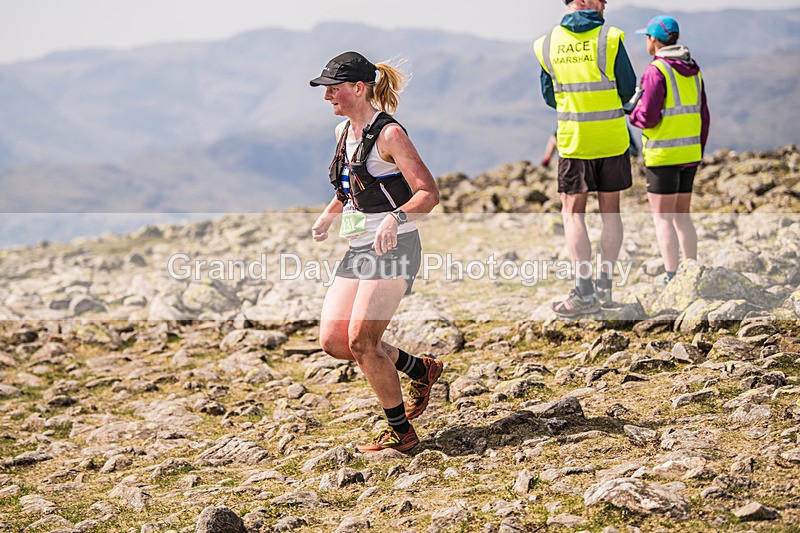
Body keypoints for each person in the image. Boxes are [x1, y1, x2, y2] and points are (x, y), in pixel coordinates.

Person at [309, 52, 443, 453]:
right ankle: (420, 369)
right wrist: (330, 214)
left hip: (395, 245)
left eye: (333, 88)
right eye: (324, 88)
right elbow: (350, 186)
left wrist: (395, 219)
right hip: (359, 246)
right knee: (335, 341)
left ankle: (400, 431)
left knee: (362, 341)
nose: (327, 95)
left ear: (358, 88)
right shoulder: (342, 133)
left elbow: (428, 193)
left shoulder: (390, 135)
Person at [534, 0, 637, 316]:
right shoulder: (611, 37)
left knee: (573, 214)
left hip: (574, 141)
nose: (606, 3)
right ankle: (604, 288)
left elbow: (550, 97)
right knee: (611, 213)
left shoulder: (546, 43)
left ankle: (583, 292)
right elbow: (628, 87)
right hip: (612, 139)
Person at [629, 16, 710, 285]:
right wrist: (698, 150)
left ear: (653, 40)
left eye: (646, 37)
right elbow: (703, 114)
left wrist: (634, 117)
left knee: (663, 218)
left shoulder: (656, 71)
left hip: (663, 155)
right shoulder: (694, 70)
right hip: (689, 153)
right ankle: (692, 269)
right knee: (682, 216)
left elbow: (649, 116)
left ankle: (672, 275)